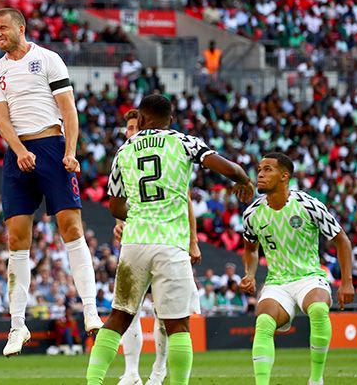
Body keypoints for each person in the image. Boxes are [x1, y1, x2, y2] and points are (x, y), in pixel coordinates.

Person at [86, 95, 254, 385]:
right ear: (170, 119)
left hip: (135, 242)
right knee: (177, 325)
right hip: (170, 243)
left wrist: (138, 211)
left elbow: (114, 207)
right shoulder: (183, 141)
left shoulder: (124, 150)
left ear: (141, 118)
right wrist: (244, 180)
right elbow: (229, 168)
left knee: (118, 317)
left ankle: (93, 382)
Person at [0, 7, 102, 357]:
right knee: (16, 237)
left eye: (3, 27)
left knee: (71, 227)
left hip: (52, 146)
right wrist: (19, 150)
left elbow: (68, 110)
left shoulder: (48, 59)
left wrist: (70, 151)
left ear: (21, 27)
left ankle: (91, 311)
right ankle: (17, 325)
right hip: (17, 153)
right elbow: (1, 120)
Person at [240, 153, 354, 385]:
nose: (260, 174)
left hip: (309, 277)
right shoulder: (252, 214)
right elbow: (251, 249)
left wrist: (347, 281)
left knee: (319, 309)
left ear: (285, 176)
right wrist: (249, 274)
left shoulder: (308, 205)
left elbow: (342, 240)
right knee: (263, 323)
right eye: (259, 169)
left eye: (268, 169)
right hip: (277, 282)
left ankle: (316, 379)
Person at [114, 108, 202, 385]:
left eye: (134, 127)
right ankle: (131, 372)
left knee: (165, 313)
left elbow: (185, 200)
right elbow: (121, 201)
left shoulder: (166, 155)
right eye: (128, 129)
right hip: (139, 238)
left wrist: (193, 241)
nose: (132, 133)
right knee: (131, 309)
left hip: (169, 239)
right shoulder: (128, 155)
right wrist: (120, 223)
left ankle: (159, 371)